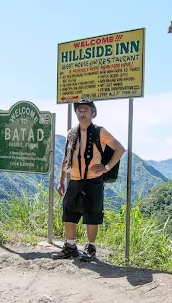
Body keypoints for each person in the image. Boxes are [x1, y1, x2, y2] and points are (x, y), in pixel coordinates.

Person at [52, 99, 125, 261]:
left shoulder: (100, 132)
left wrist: (106, 167)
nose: (82, 113)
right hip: (75, 180)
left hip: (93, 180)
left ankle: (90, 248)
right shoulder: (71, 133)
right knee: (69, 212)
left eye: (86, 110)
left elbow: (120, 149)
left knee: (92, 213)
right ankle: (70, 247)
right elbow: (67, 158)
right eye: (79, 110)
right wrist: (61, 180)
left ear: (93, 113)